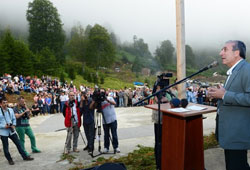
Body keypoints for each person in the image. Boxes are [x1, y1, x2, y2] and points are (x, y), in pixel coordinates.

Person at [208, 40, 250, 170]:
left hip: (237, 133)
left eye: (225, 49)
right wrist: (218, 94)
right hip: (230, 133)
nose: (221, 53)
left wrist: (224, 95)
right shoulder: (234, 71)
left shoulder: (246, 70)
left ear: (236, 53)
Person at [0, 98, 34, 165]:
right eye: (4, 103)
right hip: (3, 132)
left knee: (19, 144)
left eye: (6, 102)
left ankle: (25, 156)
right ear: (0, 104)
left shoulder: (10, 110)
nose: (5, 104)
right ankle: (9, 160)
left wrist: (14, 125)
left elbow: (13, 119)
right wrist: (4, 126)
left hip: (12, 130)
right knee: (6, 147)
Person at [94, 89, 120, 153]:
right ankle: (106, 147)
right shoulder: (100, 101)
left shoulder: (110, 98)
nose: (102, 93)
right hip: (105, 121)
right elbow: (96, 108)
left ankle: (116, 147)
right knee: (106, 135)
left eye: (103, 92)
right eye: (101, 92)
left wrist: (107, 100)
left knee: (114, 134)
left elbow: (114, 103)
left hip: (113, 119)